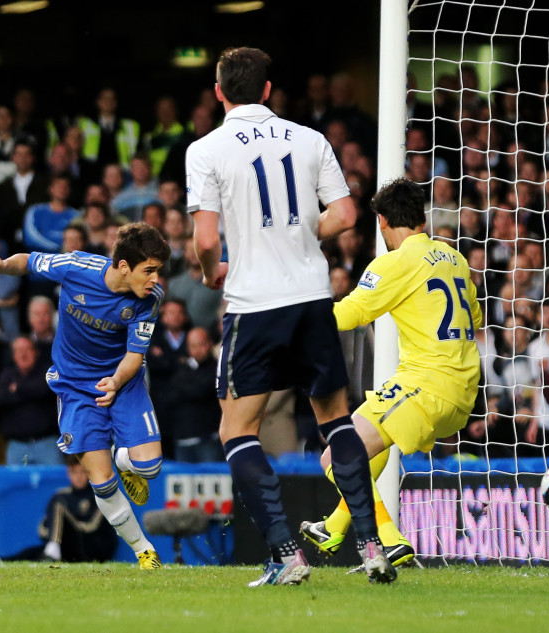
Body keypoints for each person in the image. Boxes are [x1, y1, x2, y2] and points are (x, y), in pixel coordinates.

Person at [186, 46, 394, 585]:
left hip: (255, 305)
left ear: (218, 93)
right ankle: (372, 546)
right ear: (268, 90)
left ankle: (284, 553)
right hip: (312, 297)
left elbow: (206, 238)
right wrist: (300, 233)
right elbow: (346, 214)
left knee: (237, 429)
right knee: (335, 420)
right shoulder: (309, 138)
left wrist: (214, 270)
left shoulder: (206, 149)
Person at [299, 178, 482, 570]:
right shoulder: (455, 258)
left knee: (336, 456)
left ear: (382, 221)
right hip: (463, 387)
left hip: (425, 382)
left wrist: (297, 320)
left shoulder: (395, 262)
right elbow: (476, 317)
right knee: (366, 445)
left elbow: (349, 314)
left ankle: (390, 540)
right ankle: (333, 528)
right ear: (420, 217)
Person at [0, 222, 171, 570]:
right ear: (124, 266)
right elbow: (30, 260)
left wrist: (115, 380)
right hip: (76, 388)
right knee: (102, 482)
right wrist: (2, 264)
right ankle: (144, 551)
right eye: (150, 270)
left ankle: (125, 461)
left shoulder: (149, 299)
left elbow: (134, 354)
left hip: (122, 383)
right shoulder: (77, 267)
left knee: (150, 466)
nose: (156, 279)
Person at [0, 459, 117, 563]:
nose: (79, 477)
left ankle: (52, 550)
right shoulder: (62, 495)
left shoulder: (98, 495)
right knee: (33, 551)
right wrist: (54, 535)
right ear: (68, 474)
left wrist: (63, 525)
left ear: (89, 473)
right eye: (74, 472)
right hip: (67, 550)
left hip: (92, 549)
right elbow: (43, 528)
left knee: (58, 510)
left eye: (82, 472)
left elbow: (90, 527)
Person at [0, 336, 62, 465]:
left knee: (56, 484)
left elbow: (45, 389)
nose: (23, 354)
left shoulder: (48, 371)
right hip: (17, 446)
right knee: (16, 485)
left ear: (36, 352)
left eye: (27, 349)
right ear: (13, 355)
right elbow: (0, 398)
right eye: (19, 351)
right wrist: (31, 391)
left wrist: (17, 388)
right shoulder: (6, 375)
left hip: (47, 443)